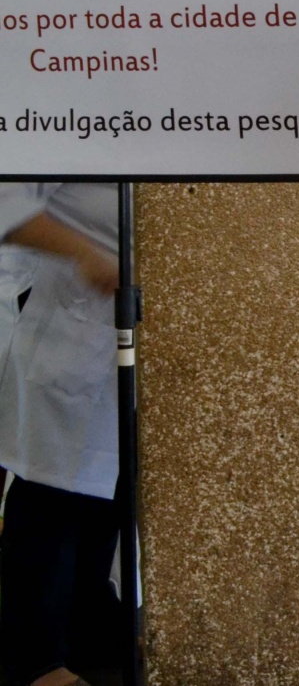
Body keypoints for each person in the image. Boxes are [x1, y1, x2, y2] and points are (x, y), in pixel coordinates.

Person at [0, 184, 122, 686]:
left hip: (125, 331)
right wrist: (85, 255)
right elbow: (8, 205)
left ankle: (87, 633)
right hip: (69, 316)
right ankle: (34, 660)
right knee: (49, 493)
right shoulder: (59, 112)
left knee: (107, 495)